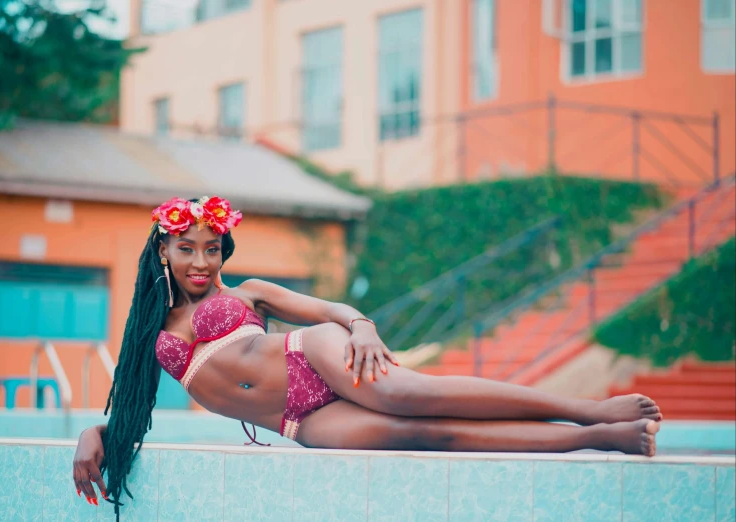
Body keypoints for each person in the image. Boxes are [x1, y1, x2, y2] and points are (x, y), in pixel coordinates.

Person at [72, 195, 662, 517]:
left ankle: (591, 411)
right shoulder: (150, 334)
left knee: (416, 396)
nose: (201, 262)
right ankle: (599, 440)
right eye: (187, 248)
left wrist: (360, 326)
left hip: (315, 354)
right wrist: (91, 434)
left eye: (212, 249)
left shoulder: (248, 293)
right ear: (163, 249)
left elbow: (329, 308)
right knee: (435, 436)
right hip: (300, 420)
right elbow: (129, 408)